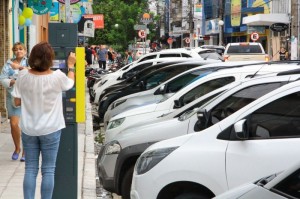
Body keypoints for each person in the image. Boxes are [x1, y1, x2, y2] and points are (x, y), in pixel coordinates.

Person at [11, 41, 76, 199]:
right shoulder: (58, 77)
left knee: (30, 169)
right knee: (48, 169)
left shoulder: (23, 75)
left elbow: (16, 102)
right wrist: (71, 65)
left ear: (32, 57)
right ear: (50, 59)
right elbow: (70, 83)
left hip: (29, 129)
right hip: (51, 129)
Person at [0, 42, 28, 162]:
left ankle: (25, 152)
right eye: (16, 49)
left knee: (27, 126)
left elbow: (34, 73)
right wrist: (13, 82)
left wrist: (21, 69)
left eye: (21, 49)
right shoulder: (9, 63)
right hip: (13, 97)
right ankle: (17, 148)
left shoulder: (30, 62)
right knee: (14, 124)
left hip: (27, 98)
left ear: (25, 51)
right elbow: (2, 78)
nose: (18, 51)